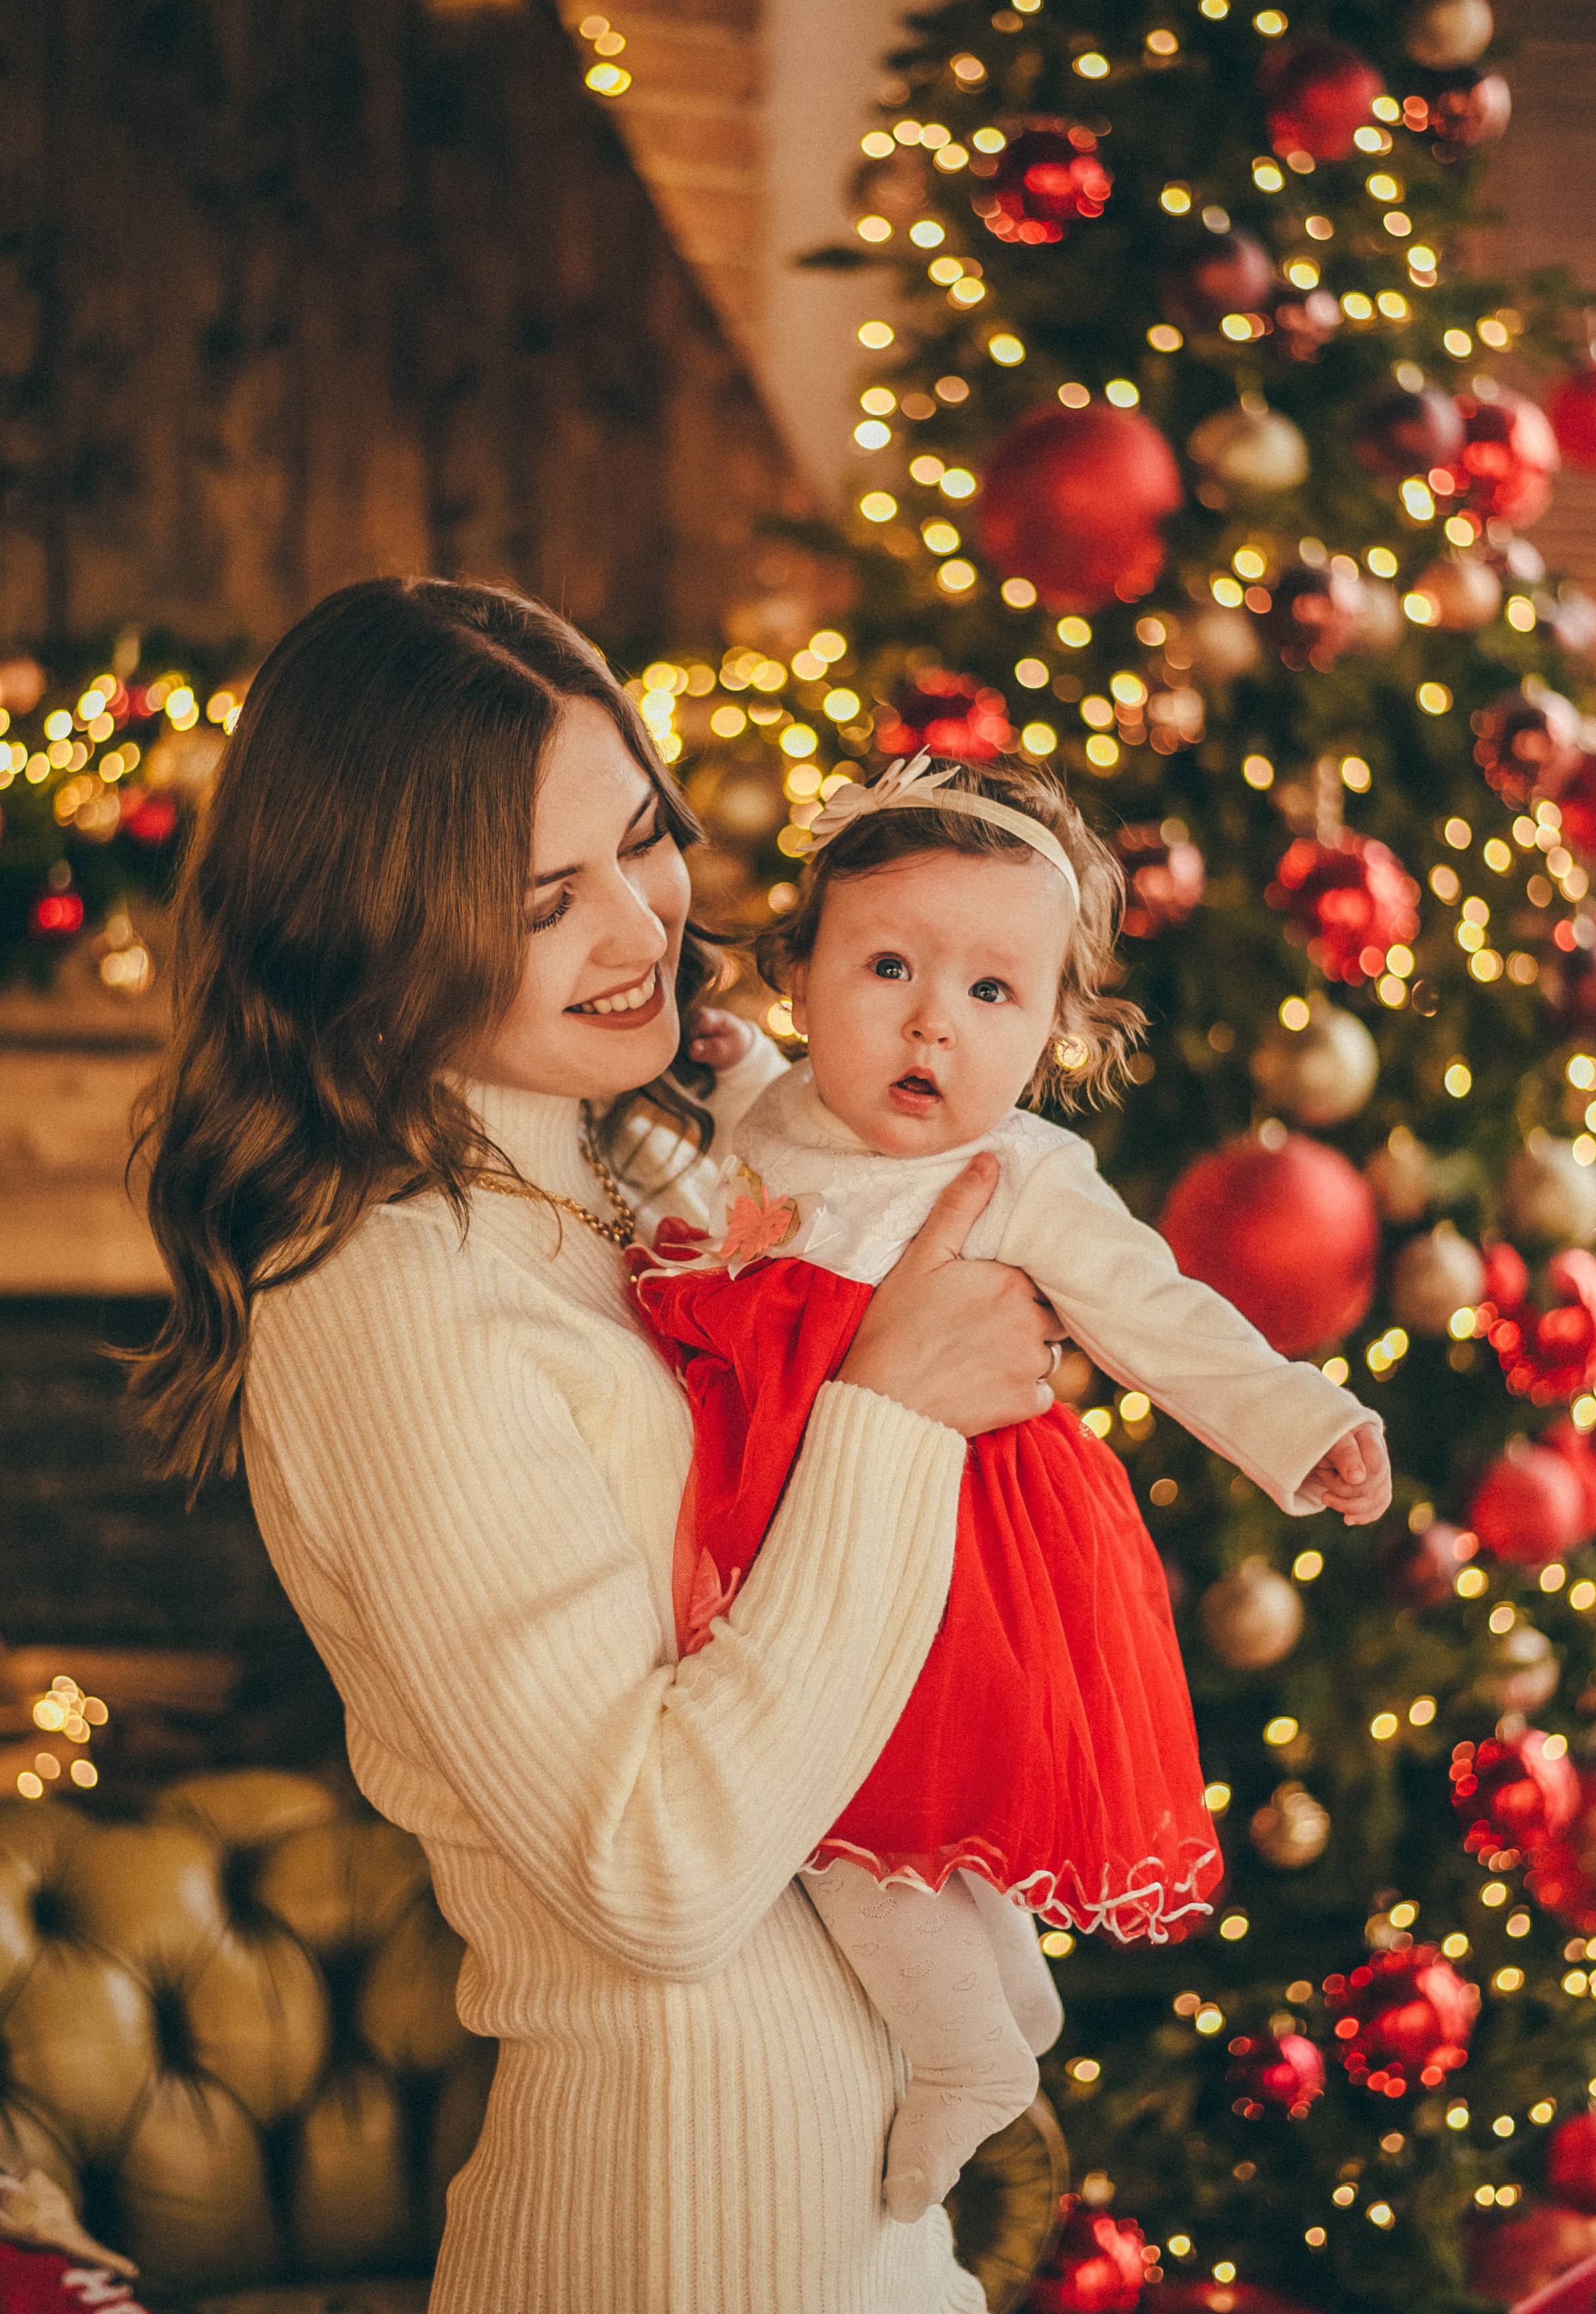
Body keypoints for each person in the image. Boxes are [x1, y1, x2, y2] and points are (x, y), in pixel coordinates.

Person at [130, 578, 1070, 2314]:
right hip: (673, 2228)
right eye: (544, 900)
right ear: (377, 932)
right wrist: (889, 1416)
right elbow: (657, 1874)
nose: (640, 925)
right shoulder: (387, 1295)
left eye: (642, 839)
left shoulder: (627, 1170)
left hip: (855, 2225)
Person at [637, 751, 1393, 2225]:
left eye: (993, 992)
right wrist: (723, 1064)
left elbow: (1157, 1312)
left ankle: (963, 2055)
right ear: (800, 974)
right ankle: (1006, 1995)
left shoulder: (1021, 1172)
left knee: (842, 1807)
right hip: (797, 1510)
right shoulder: (775, 1109)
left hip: (943, 1542)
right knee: (904, 1810)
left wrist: (1298, 1423)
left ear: (1054, 1033)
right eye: (888, 968)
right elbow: (746, 1132)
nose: (933, 1019)